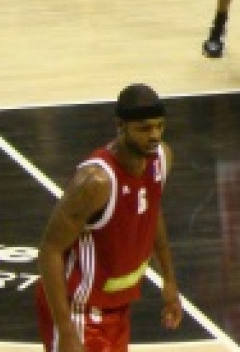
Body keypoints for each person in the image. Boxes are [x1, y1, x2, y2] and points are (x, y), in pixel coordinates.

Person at [36, 83, 182, 352]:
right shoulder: (96, 182)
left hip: (118, 308)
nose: (154, 135)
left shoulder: (161, 159)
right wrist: (66, 330)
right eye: (144, 128)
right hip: (79, 309)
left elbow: (151, 213)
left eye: (159, 126)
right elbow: (49, 250)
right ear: (120, 125)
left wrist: (169, 280)